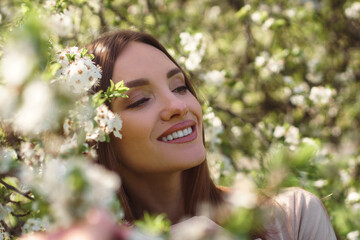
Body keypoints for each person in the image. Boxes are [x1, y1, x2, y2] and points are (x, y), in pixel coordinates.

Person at [22, 30, 337, 240]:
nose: (177, 106)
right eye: (139, 100)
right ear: (96, 135)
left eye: (180, 86)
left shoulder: (291, 217)